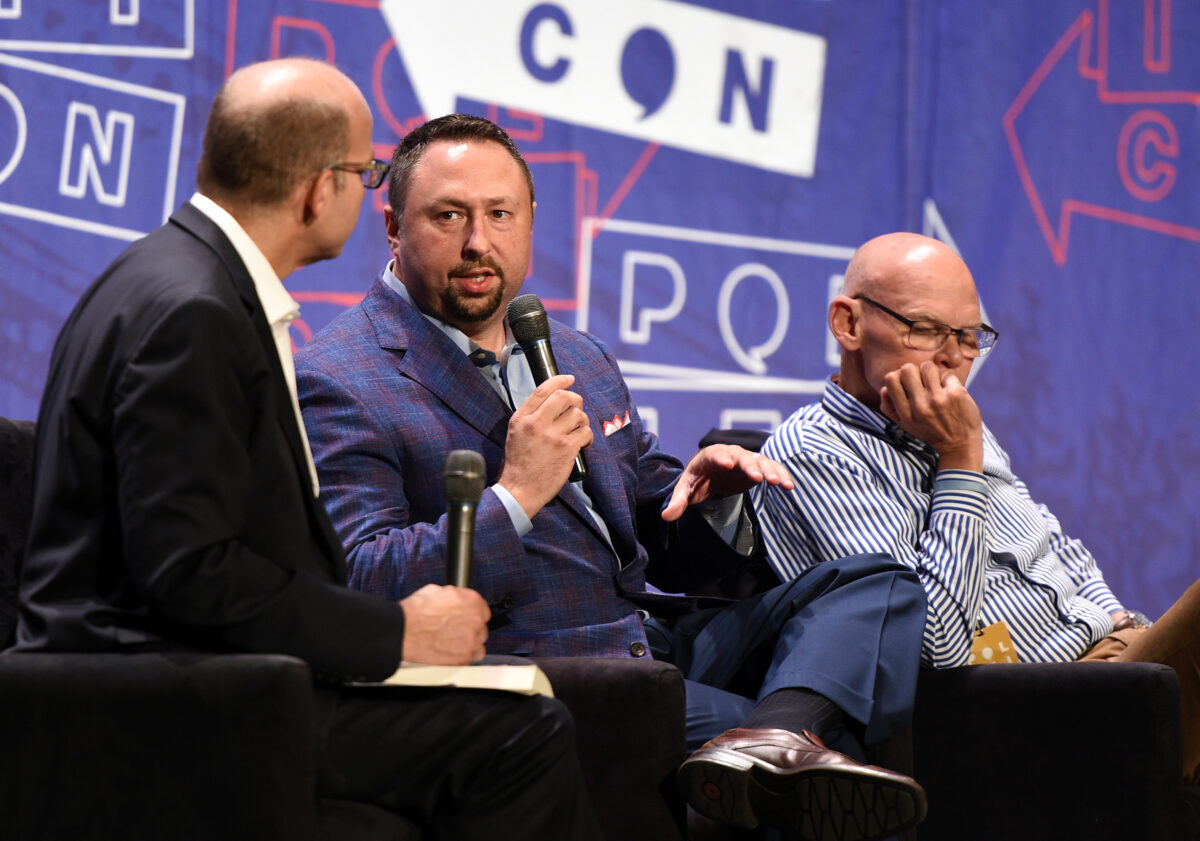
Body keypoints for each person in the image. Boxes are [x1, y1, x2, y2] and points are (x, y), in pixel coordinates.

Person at [295, 113, 930, 841]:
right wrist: (516, 495)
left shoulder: (576, 353)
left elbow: (644, 511)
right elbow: (362, 583)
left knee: (876, 582)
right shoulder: (342, 376)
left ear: (530, 219)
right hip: (556, 674)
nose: (479, 241)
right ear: (392, 226)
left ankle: (777, 735)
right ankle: (783, 746)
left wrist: (707, 499)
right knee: (844, 766)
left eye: (500, 213)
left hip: (657, 642)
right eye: (449, 215)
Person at [10, 59, 602, 839]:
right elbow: (190, 571)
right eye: (366, 174)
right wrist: (395, 634)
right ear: (321, 189)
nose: (365, 191)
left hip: (176, 675)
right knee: (523, 734)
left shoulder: (161, 274)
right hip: (155, 701)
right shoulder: (196, 312)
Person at [752, 231, 1200, 784]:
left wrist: (1119, 619)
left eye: (967, 337)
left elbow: (1052, 542)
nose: (952, 358)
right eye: (925, 329)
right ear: (848, 324)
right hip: (1022, 709)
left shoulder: (958, 421)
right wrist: (958, 459)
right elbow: (931, 646)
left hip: (1119, 656)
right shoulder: (815, 453)